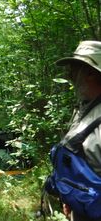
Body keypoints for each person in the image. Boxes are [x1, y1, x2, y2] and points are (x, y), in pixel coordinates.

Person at [55, 40, 101, 221]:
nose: (70, 76)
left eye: (74, 69)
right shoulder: (84, 108)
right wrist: (71, 197)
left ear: (91, 72)